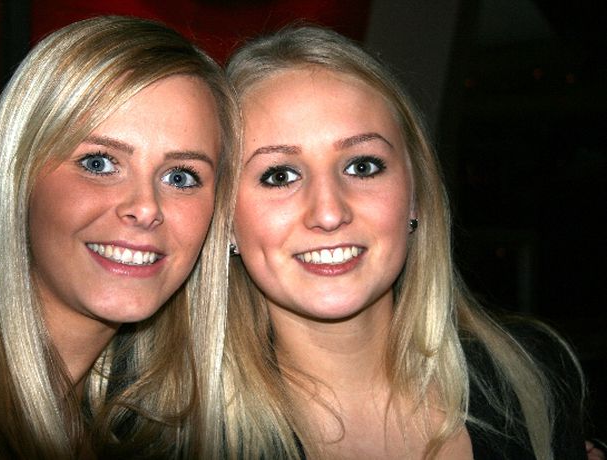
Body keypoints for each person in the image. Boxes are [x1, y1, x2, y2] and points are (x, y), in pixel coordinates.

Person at [220, 25, 586, 459]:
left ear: (415, 195)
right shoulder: (182, 439)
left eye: (362, 166)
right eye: (280, 175)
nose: (329, 213)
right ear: (226, 221)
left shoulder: (531, 381)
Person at [0, 15, 239, 458]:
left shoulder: (148, 432)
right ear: (18, 177)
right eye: (99, 163)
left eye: (180, 176)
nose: (146, 207)